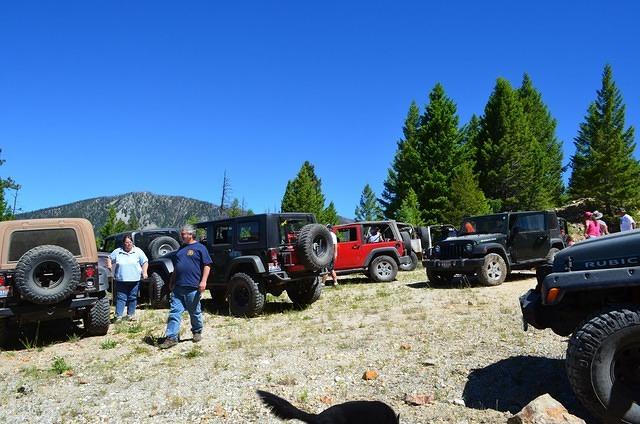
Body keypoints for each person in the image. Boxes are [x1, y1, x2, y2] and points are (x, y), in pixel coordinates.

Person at [159, 224, 212, 349]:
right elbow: (177, 267)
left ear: (191, 234)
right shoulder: (181, 249)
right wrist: (172, 280)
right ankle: (171, 337)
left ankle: (197, 331)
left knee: (194, 312)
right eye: (182, 234)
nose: (182, 236)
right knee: (174, 312)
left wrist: (203, 281)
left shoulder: (200, 248)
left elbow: (207, 265)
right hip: (178, 286)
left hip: (193, 286)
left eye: (184, 234)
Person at [106, 234, 148, 321]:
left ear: (132, 242)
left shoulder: (138, 251)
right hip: (121, 279)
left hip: (135, 279)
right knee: (121, 297)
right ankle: (118, 316)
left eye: (130, 242)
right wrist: (109, 264)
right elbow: (109, 257)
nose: (128, 244)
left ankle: (131, 315)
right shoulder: (118, 251)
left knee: (133, 297)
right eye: (126, 242)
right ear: (123, 243)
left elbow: (145, 262)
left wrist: (144, 272)